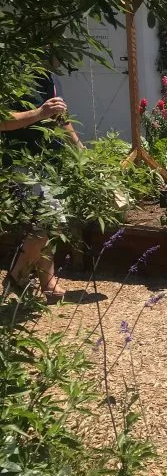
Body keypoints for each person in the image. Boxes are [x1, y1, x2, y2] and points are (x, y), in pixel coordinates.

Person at [1, 69, 82, 302]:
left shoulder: (48, 75)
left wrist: (79, 149)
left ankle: (48, 283)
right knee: (48, 221)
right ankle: (16, 277)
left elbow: (59, 117)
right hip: (21, 164)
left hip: (47, 163)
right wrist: (39, 112)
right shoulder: (12, 74)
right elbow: (3, 120)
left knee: (45, 222)